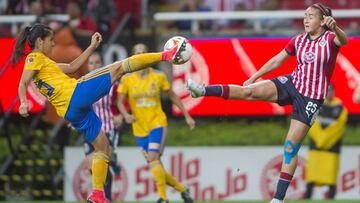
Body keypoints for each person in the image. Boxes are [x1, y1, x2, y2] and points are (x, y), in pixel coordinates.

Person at [186, 3, 348, 203]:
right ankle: (202, 90)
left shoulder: (330, 38)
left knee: (290, 147)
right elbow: (276, 61)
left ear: (323, 21)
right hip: (292, 83)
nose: (306, 19)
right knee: (248, 91)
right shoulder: (298, 40)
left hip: (311, 98)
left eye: (311, 16)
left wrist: (336, 28)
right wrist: (254, 77)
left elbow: (344, 40)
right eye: (305, 15)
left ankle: (278, 199)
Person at [14, 23, 181, 203]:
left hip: (72, 112)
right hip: (76, 95)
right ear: (39, 42)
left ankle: (97, 195)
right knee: (119, 67)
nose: (53, 44)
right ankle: (167, 55)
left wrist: (92, 47)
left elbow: (71, 67)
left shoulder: (45, 64)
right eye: (51, 40)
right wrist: (23, 101)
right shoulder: (34, 58)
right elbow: (23, 82)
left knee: (103, 148)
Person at [117, 43, 196, 203]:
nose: (140, 55)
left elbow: (173, 96)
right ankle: (182, 189)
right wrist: (126, 115)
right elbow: (120, 102)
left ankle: (163, 198)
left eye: (143, 52)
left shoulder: (158, 76)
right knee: (155, 164)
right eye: (137, 53)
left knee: (153, 158)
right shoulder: (127, 79)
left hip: (157, 123)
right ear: (132, 57)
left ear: (149, 56)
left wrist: (187, 115)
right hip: (139, 127)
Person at [83, 52, 123, 202]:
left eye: (97, 62)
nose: (94, 66)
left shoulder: (112, 83)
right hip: (90, 128)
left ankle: (106, 198)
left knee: (103, 162)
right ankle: (103, 197)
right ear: (88, 66)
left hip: (108, 127)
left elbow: (122, 103)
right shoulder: (83, 84)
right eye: (91, 63)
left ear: (102, 64)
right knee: (93, 167)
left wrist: (121, 115)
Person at [304, 84, 347, 199]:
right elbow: (312, 122)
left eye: (331, 91)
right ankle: (308, 194)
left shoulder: (341, 107)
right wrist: (320, 138)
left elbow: (339, 127)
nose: (329, 94)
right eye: (327, 91)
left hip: (332, 146)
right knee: (313, 172)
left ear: (334, 92)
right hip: (316, 145)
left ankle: (331, 195)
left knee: (330, 172)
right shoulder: (317, 104)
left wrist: (323, 139)